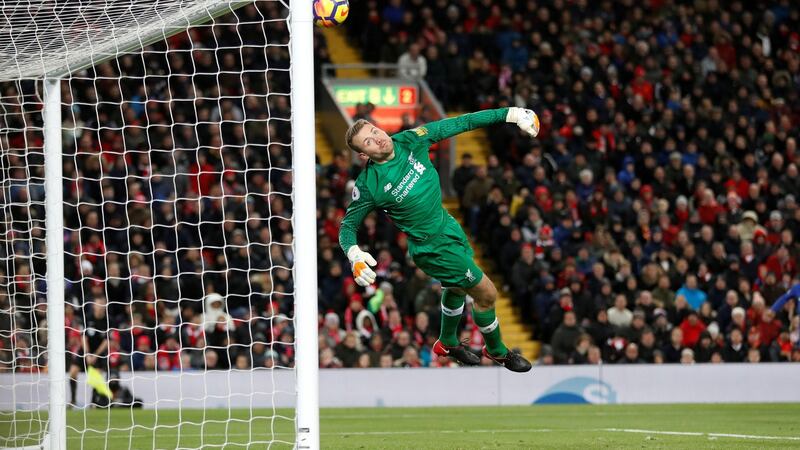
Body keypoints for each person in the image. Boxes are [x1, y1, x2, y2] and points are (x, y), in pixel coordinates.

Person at [340, 107, 540, 372]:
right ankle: (497, 350)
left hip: (449, 227)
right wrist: (354, 254)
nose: (377, 138)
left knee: (456, 288)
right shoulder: (369, 185)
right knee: (487, 294)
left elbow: (462, 121)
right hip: (431, 248)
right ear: (363, 154)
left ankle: (446, 343)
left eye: (375, 131)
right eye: (368, 141)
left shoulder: (412, 139)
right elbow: (348, 226)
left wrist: (511, 114)